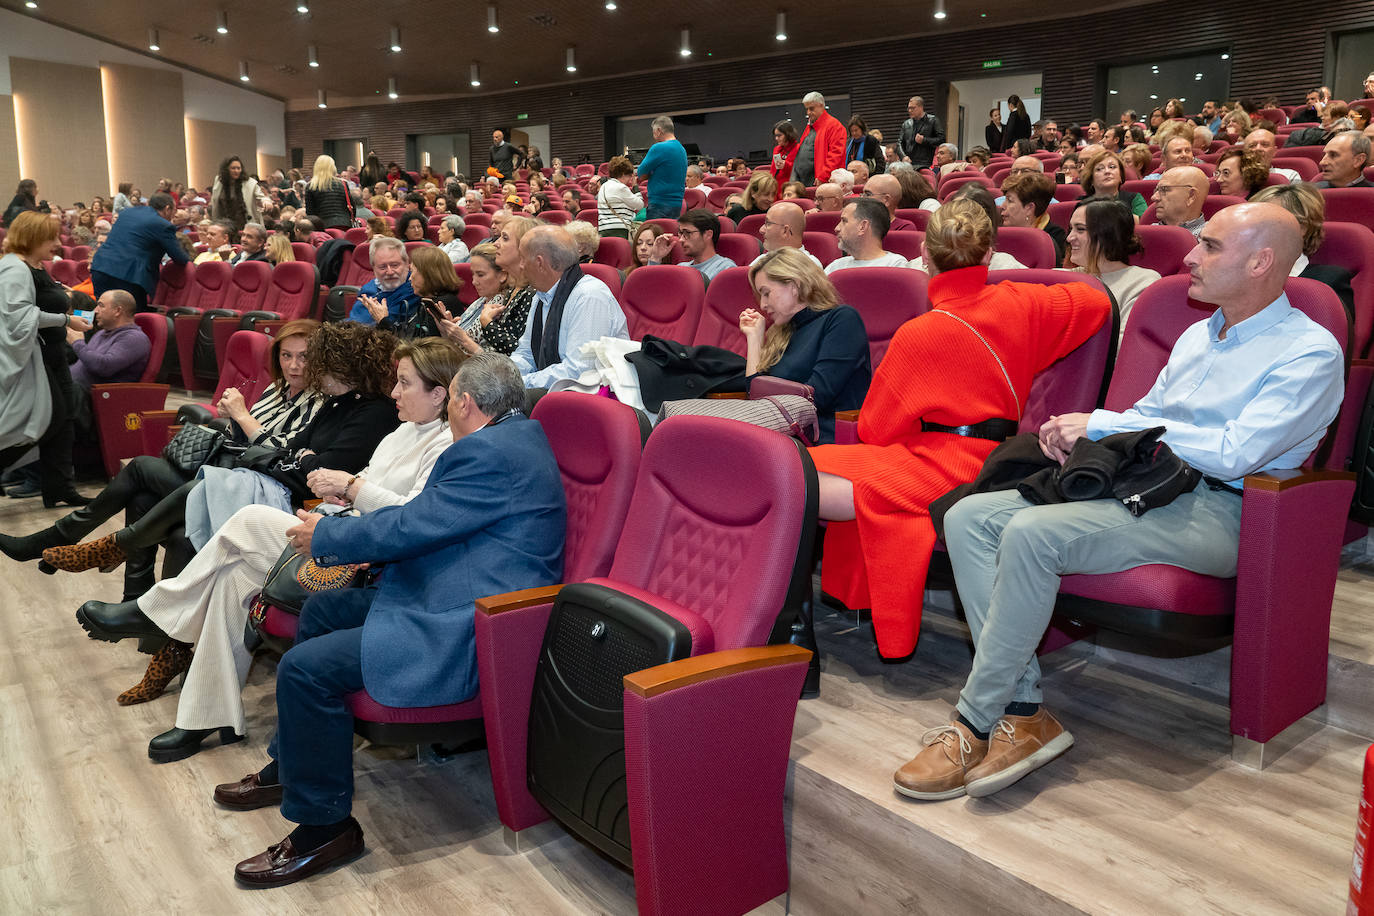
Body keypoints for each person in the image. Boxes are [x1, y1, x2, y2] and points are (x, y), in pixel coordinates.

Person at [897, 203, 1344, 801]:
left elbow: (1237, 453)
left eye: (1209, 246)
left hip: (1225, 508)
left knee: (1032, 534)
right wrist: (1081, 429)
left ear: (1262, 262)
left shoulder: (1308, 351)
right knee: (970, 514)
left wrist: (1103, 425)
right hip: (1147, 482)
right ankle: (1024, 709)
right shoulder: (1197, 334)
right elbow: (1147, 417)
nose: (1188, 257)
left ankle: (974, 719)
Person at [201, 352, 561, 888]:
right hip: (449, 586)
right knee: (323, 608)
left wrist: (327, 538)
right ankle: (294, 767)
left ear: (463, 401)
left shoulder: (488, 453)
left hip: (464, 621)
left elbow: (418, 522)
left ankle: (324, 829)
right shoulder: (511, 439)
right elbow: (432, 522)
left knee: (304, 669)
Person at [74, 338, 466, 762]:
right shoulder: (403, 430)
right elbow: (367, 480)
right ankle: (207, 714)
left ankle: (153, 611)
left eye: (404, 383)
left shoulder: (445, 443)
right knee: (233, 577)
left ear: (438, 393)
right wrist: (339, 497)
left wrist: (352, 488)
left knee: (249, 519)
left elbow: (412, 515)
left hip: (367, 559)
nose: (394, 392)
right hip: (339, 532)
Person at [807, 197, 1110, 665]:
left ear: (925, 257)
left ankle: (787, 625)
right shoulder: (1023, 302)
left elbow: (875, 427)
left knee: (792, 470)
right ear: (988, 254)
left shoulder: (919, 332)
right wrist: (1011, 294)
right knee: (799, 472)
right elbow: (1094, 297)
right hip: (998, 459)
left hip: (936, 465)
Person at [1, 320, 325, 604]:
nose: (294, 365)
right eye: (286, 355)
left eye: (304, 356)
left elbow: (283, 457)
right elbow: (243, 442)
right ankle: (136, 599)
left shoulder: (320, 401)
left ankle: (63, 538)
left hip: (256, 496)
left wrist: (243, 416)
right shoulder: (277, 388)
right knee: (142, 495)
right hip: (229, 476)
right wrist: (234, 419)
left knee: (140, 467)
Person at [0, 213, 94, 505]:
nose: (56, 243)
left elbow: (49, 301)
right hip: (35, 356)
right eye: (50, 238)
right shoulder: (14, 269)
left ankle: (59, 488)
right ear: (32, 237)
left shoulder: (36, 266)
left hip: (53, 354)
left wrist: (74, 316)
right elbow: (20, 315)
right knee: (48, 420)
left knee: (65, 419)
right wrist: (65, 320)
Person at [740, 248, 870, 443]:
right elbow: (755, 395)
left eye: (766, 293)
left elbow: (815, 399)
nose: (763, 305)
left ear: (794, 285)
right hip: (784, 436)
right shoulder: (782, 331)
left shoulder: (841, 319)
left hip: (823, 439)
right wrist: (754, 339)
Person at [511, 225, 628, 389]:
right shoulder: (540, 296)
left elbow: (579, 372)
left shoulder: (590, 296)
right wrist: (505, 377)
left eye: (522, 258)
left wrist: (519, 384)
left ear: (540, 263)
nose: (521, 266)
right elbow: (526, 354)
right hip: (553, 391)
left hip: (588, 396)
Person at [1252, 182, 1357, 319]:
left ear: (1301, 228)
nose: (1254, 229)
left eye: (1266, 221)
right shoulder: (1239, 271)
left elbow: (1335, 336)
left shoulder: (1328, 281)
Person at [1067, 198, 1160, 332]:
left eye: (1080, 229)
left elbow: (1124, 345)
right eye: (1071, 229)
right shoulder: (1067, 276)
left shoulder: (1142, 282)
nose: (1069, 238)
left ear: (1108, 235)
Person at [89, 191, 190, 312]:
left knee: (103, 312)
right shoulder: (162, 224)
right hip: (128, 275)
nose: (174, 214)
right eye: (175, 210)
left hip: (101, 266)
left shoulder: (127, 212)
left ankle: (92, 330)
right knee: (128, 316)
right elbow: (179, 258)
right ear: (168, 208)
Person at [434, 242, 519, 356]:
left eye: (480, 275)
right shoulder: (480, 301)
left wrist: (462, 339)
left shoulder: (502, 307)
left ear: (503, 275)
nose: (474, 282)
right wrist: (447, 332)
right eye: (473, 274)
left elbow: (497, 363)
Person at [69, 289, 150, 392]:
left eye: (101, 305)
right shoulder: (101, 333)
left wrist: (77, 342)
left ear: (118, 311)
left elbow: (104, 367)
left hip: (95, 398)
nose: (95, 311)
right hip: (73, 390)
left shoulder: (134, 338)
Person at [645, 209, 736, 288]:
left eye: (687, 233)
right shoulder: (681, 267)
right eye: (680, 233)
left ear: (708, 234)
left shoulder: (725, 269)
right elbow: (654, 294)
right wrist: (655, 258)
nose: (681, 240)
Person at [826, 198, 910, 273]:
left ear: (863, 226)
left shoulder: (895, 265)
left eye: (844, 221)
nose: (837, 228)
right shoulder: (836, 266)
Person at [1000, 172, 1068, 265]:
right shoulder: (999, 233)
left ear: (1029, 208)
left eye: (1010, 201)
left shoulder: (1055, 238)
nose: (1002, 206)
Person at [349, 236, 419, 325]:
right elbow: (353, 321)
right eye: (382, 267)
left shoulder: (416, 290)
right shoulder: (367, 289)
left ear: (406, 264)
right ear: (373, 268)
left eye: (394, 265)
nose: (389, 272)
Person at [636, 116, 688, 219]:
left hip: (659, 203)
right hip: (677, 203)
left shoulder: (659, 147)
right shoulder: (682, 149)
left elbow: (641, 173)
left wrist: (650, 174)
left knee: (657, 234)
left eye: (653, 131)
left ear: (659, 130)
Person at [794, 92, 847, 187]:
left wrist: (823, 176)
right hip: (803, 182)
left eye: (811, 108)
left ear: (821, 106)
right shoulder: (810, 127)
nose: (808, 113)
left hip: (822, 183)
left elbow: (835, 155)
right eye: (807, 109)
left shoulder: (834, 126)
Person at [1081, 150, 1147, 219]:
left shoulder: (1134, 198)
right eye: (1099, 169)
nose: (1107, 171)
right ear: (1091, 179)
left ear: (1120, 176)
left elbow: (1144, 223)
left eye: (1112, 167)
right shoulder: (1082, 204)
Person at [210, 156, 267, 231]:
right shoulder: (219, 181)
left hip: (245, 224)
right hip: (224, 224)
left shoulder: (250, 183)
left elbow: (262, 197)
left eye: (238, 168)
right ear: (226, 169)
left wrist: (266, 201)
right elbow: (215, 202)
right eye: (233, 168)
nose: (236, 171)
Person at [1151, 166, 1210, 237]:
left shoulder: (1211, 238)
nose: (1154, 197)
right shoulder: (1147, 233)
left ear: (1191, 196)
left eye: (1164, 189)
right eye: (1156, 190)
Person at [756, 202, 821, 267]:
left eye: (768, 223)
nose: (761, 230)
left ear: (785, 230)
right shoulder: (762, 259)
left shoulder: (809, 265)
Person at [596, 156, 643, 239]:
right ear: (623, 174)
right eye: (629, 176)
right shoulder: (621, 188)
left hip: (603, 229)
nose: (630, 180)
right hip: (619, 230)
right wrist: (635, 186)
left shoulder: (603, 187)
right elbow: (640, 205)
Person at [303, 155, 353, 231]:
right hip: (344, 224)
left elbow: (310, 212)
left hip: (323, 226)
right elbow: (352, 206)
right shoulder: (343, 184)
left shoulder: (311, 186)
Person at [899, 96, 944, 170]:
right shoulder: (906, 123)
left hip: (925, 163)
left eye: (912, 108)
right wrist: (903, 156)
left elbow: (942, 139)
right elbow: (899, 142)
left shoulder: (933, 120)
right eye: (908, 108)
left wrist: (924, 140)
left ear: (921, 107)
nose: (909, 110)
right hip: (908, 163)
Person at [770, 120, 802, 184]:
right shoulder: (776, 149)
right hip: (775, 187)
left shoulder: (799, 148)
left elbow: (800, 171)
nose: (776, 138)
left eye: (779, 135)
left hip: (789, 187)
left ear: (788, 134)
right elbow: (772, 171)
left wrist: (786, 165)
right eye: (775, 136)